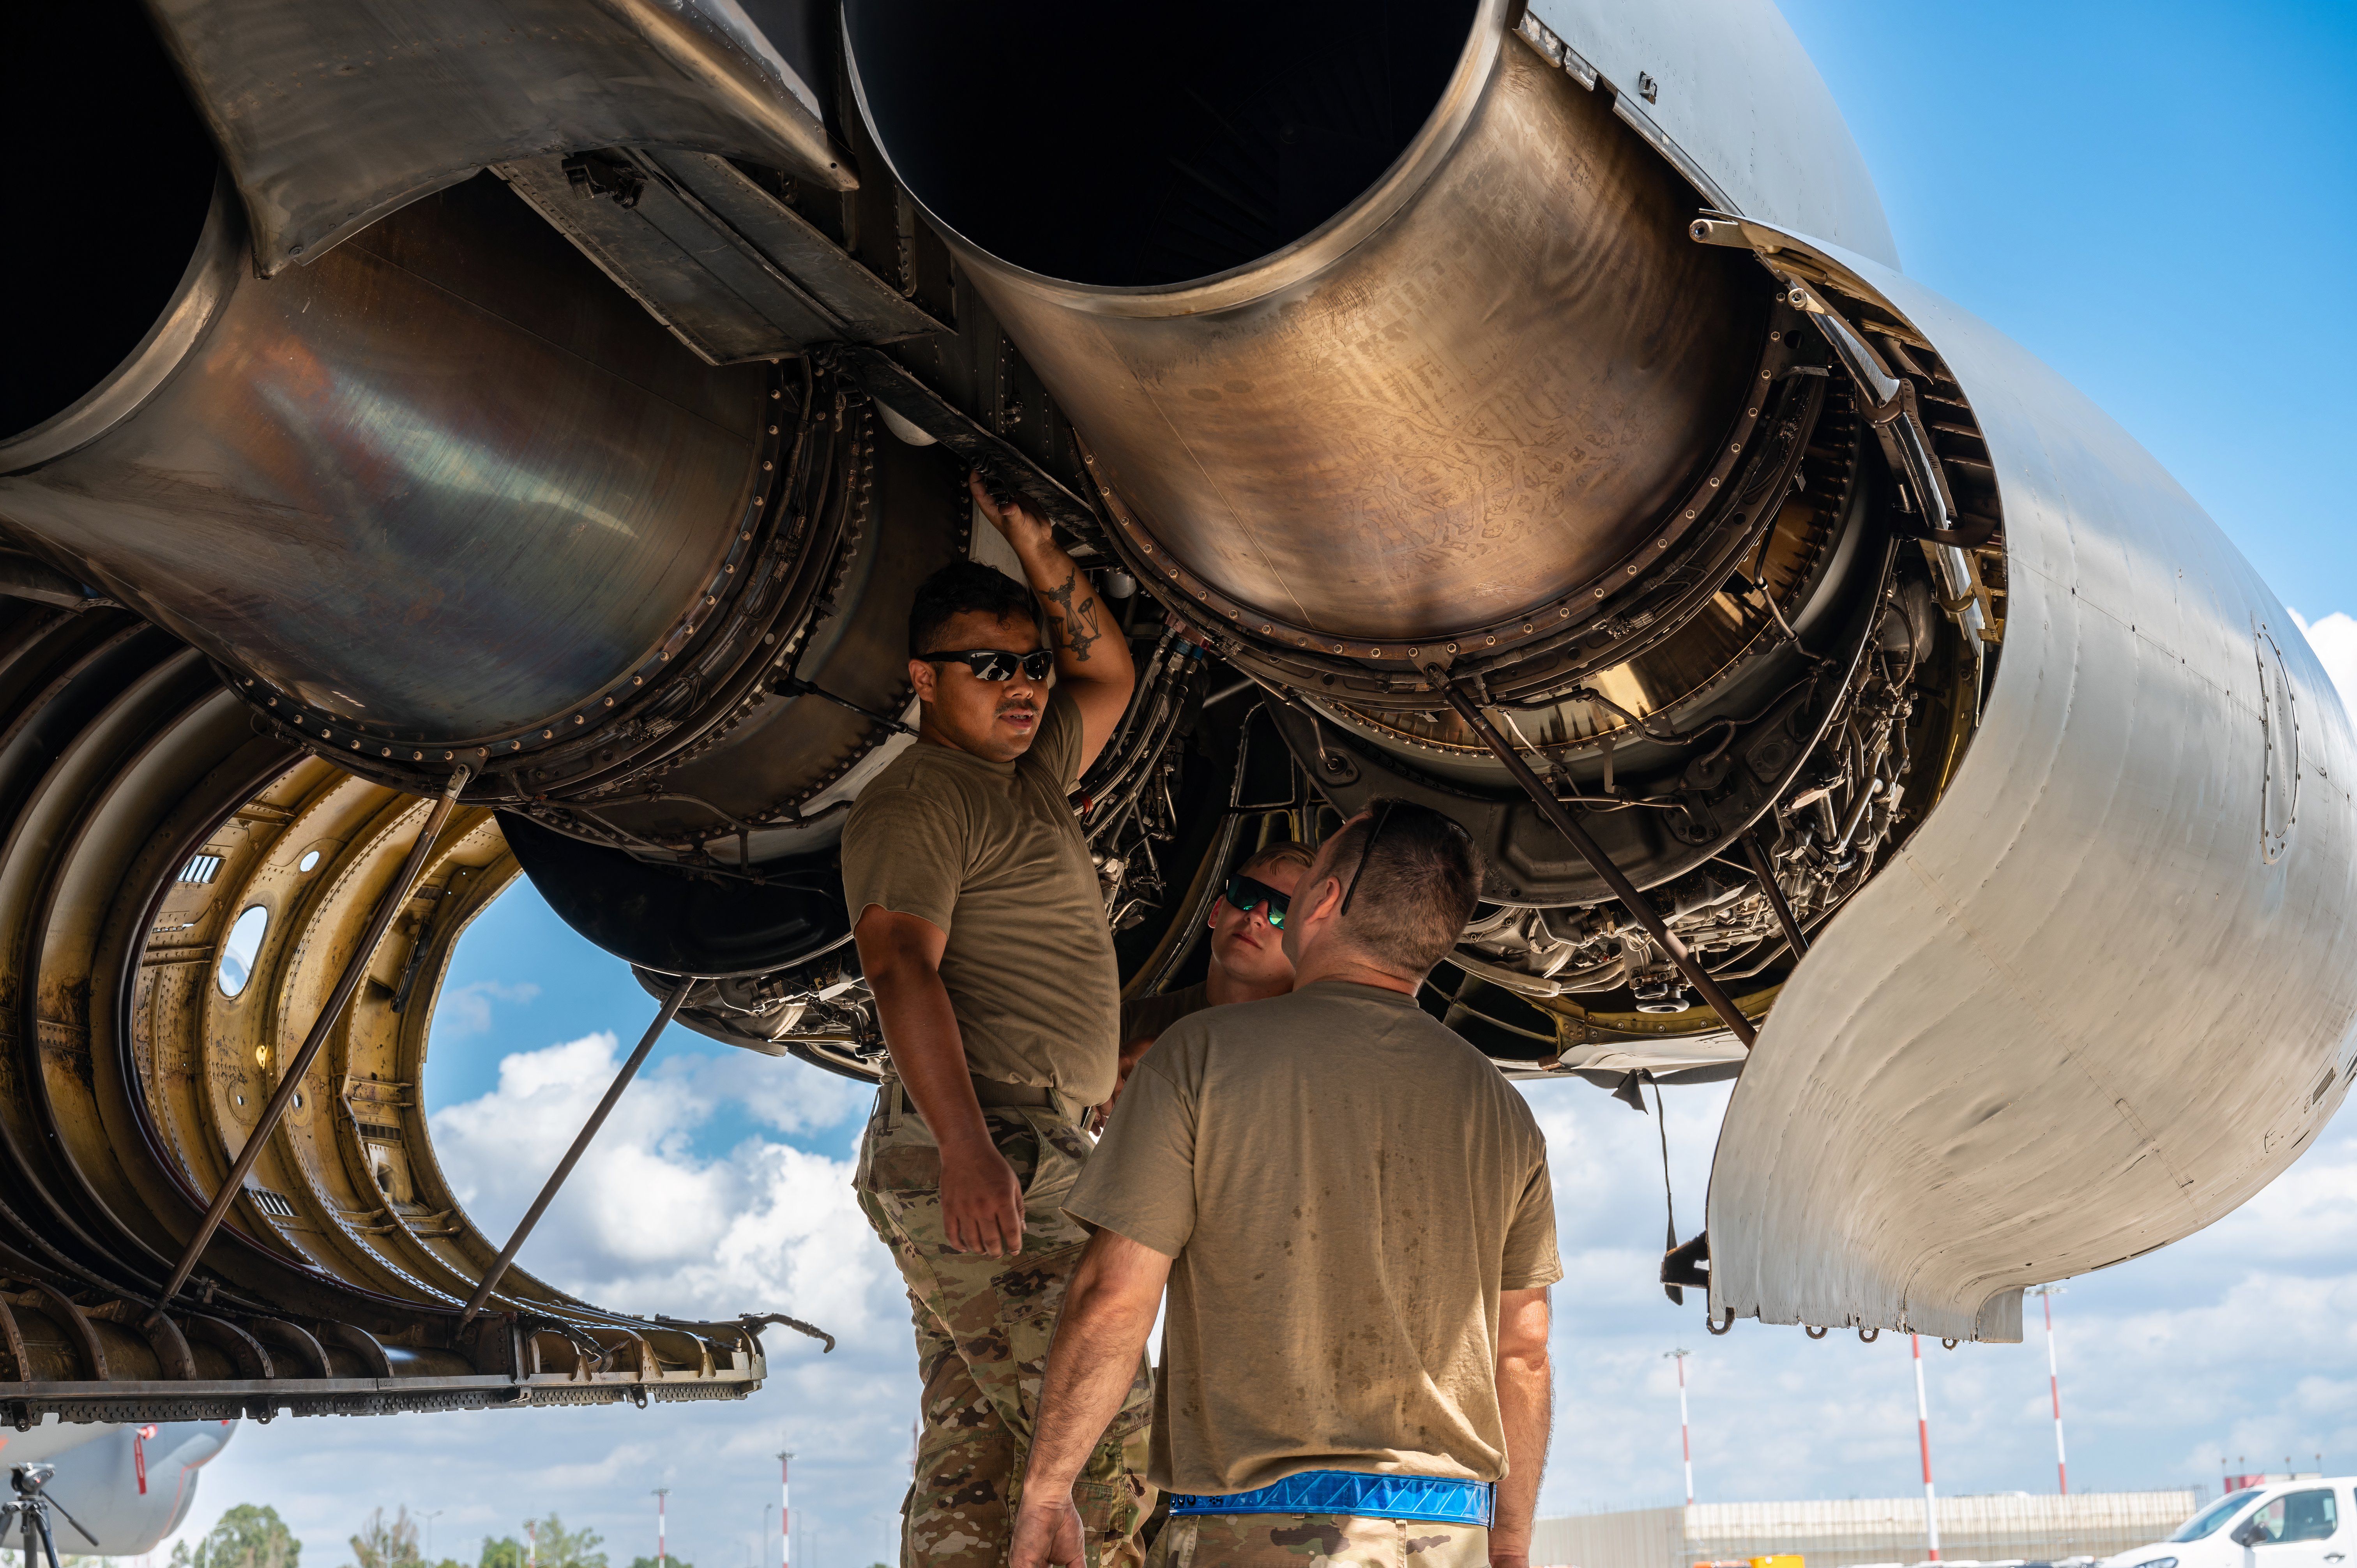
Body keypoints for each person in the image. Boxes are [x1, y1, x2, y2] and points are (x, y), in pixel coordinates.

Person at [1005, 799, 1561, 1568]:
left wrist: (1045, 1490)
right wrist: (1509, 1541)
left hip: (1259, 1530)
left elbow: (1115, 1295)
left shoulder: (1201, 1054)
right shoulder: (1502, 1109)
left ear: (1325, 900)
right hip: (1448, 1536)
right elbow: (1523, 1349)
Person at [843, 471, 1150, 1568]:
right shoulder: (924, 798)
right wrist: (971, 1149)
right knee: (1099, 1431)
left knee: (982, 1456)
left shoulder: (1027, 779)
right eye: (990, 668)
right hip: (990, 1145)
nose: (1023, 688)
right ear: (926, 679)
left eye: (1029, 666)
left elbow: (1107, 670)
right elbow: (901, 972)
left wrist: (1033, 539)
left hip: (1029, 1140)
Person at [1110, 840, 1313, 1118]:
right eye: (1246, 894)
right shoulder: (1127, 1026)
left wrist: (1172, 1053)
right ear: (1217, 911)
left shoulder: (1312, 1045)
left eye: (1283, 912)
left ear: (1306, 951)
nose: (1255, 915)